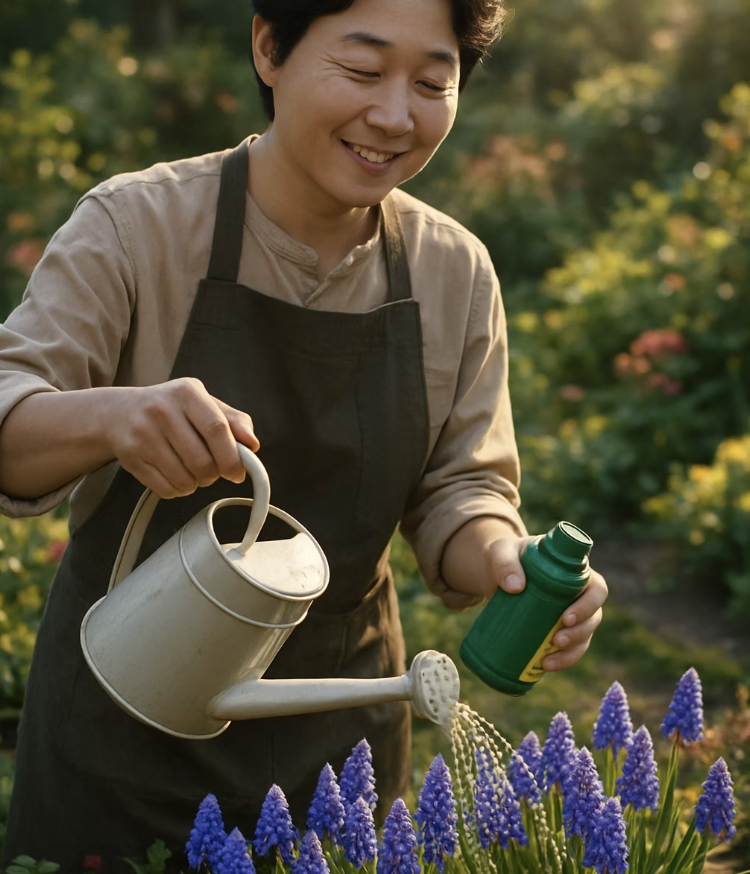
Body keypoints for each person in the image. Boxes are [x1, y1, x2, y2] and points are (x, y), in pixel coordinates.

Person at [0, 0, 608, 868]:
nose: (396, 115)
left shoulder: (452, 271)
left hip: (342, 743)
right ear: (267, 48)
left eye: (432, 82)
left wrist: (507, 559)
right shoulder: (138, 226)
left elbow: (463, 489)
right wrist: (112, 416)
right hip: (124, 727)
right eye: (362, 72)